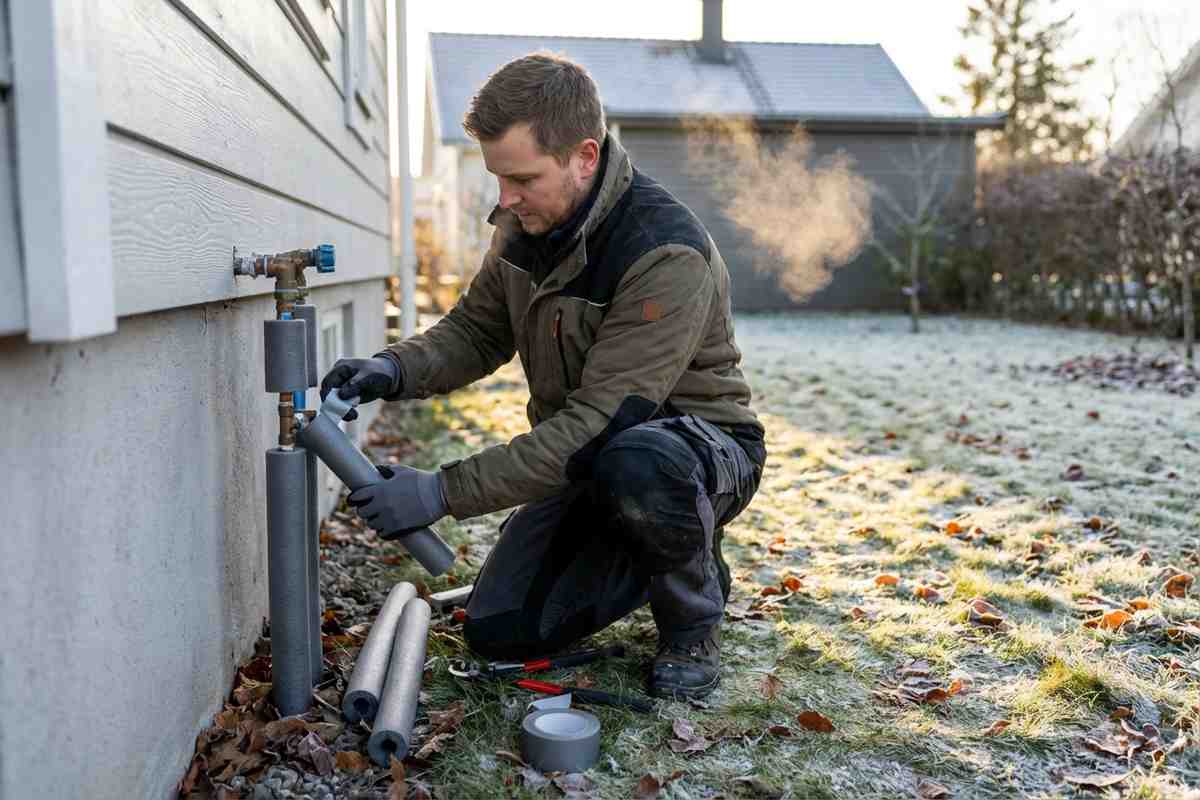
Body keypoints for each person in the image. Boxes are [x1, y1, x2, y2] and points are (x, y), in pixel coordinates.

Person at [320, 53, 765, 699]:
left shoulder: (663, 253)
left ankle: (692, 620)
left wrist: (441, 494)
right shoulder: (528, 226)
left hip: (696, 453)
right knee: (500, 629)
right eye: (498, 178)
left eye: (522, 178)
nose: (505, 199)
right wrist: (392, 368)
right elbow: (476, 331)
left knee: (639, 460)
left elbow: (600, 425)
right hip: (594, 459)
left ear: (585, 156)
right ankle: (657, 553)